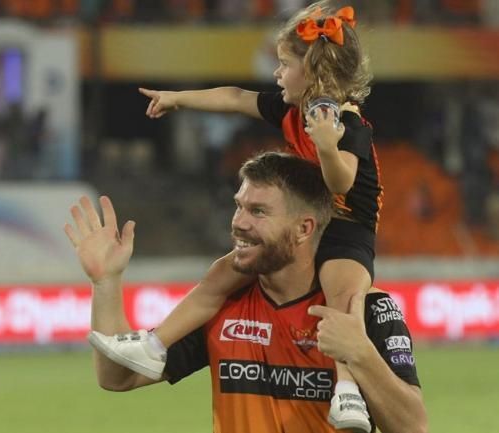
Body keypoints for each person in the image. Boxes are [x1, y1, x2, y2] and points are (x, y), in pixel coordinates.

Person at [90, 3, 382, 431]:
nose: (278, 74)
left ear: (314, 69)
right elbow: (234, 97)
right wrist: (178, 99)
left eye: (284, 65)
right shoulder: (292, 112)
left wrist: (325, 146)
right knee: (222, 273)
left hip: (348, 225)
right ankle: (154, 344)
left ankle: (348, 393)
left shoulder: (346, 119)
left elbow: (342, 184)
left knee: (341, 299)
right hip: (313, 219)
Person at [65, 152, 427, 433]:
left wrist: (360, 353)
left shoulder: (365, 309)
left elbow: (413, 426)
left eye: (258, 211)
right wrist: (106, 282)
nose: (239, 222)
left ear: (303, 228)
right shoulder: (222, 305)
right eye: (239, 206)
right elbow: (118, 377)